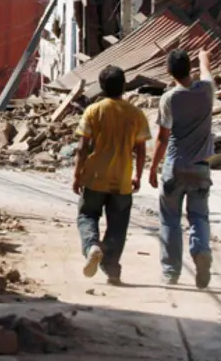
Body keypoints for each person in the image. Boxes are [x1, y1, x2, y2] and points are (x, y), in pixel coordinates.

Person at [73, 65, 150, 285]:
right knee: (118, 225)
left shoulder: (93, 111)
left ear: (102, 87)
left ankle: (92, 246)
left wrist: (77, 175)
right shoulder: (136, 114)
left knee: (87, 215)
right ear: (124, 86)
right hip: (122, 180)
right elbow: (141, 150)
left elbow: (82, 147)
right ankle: (112, 268)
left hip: (95, 177)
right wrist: (138, 176)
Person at [149, 48, 215, 288]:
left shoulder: (169, 98)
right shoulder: (207, 91)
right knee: (199, 216)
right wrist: (203, 58)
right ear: (191, 69)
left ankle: (170, 272)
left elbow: (163, 138)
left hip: (174, 167)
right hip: (200, 168)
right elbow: (207, 71)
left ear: (169, 72)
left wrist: (153, 167)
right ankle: (201, 251)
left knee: (170, 220)